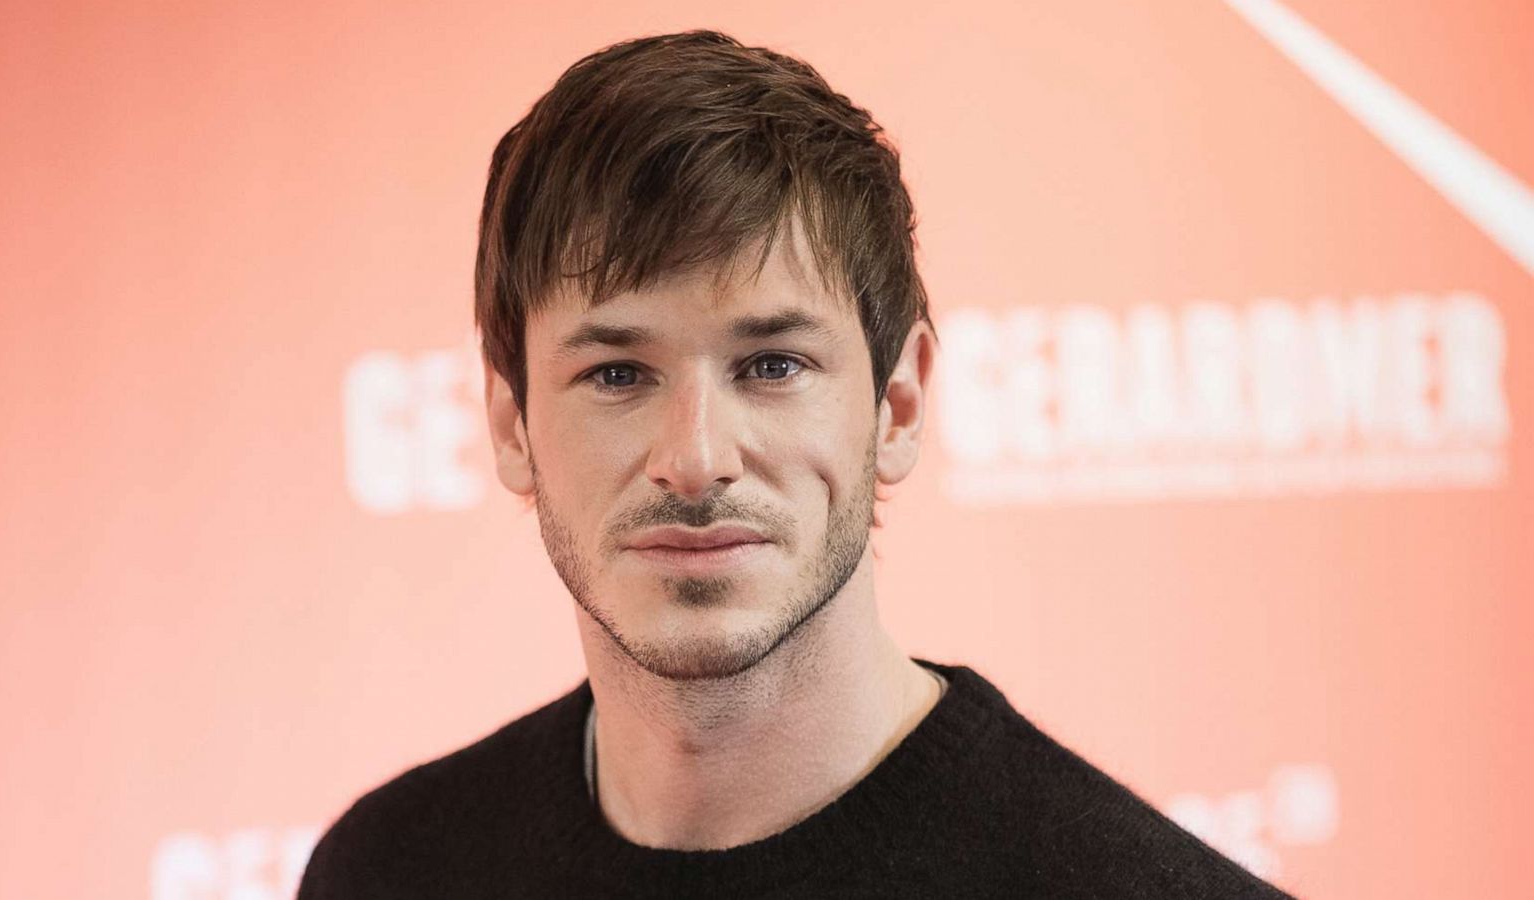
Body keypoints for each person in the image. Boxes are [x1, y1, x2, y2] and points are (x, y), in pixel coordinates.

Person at [298, 30, 1293, 899]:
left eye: (772, 365)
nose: (693, 460)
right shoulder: (390, 869)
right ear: (512, 425)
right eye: (616, 374)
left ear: (895, 405)